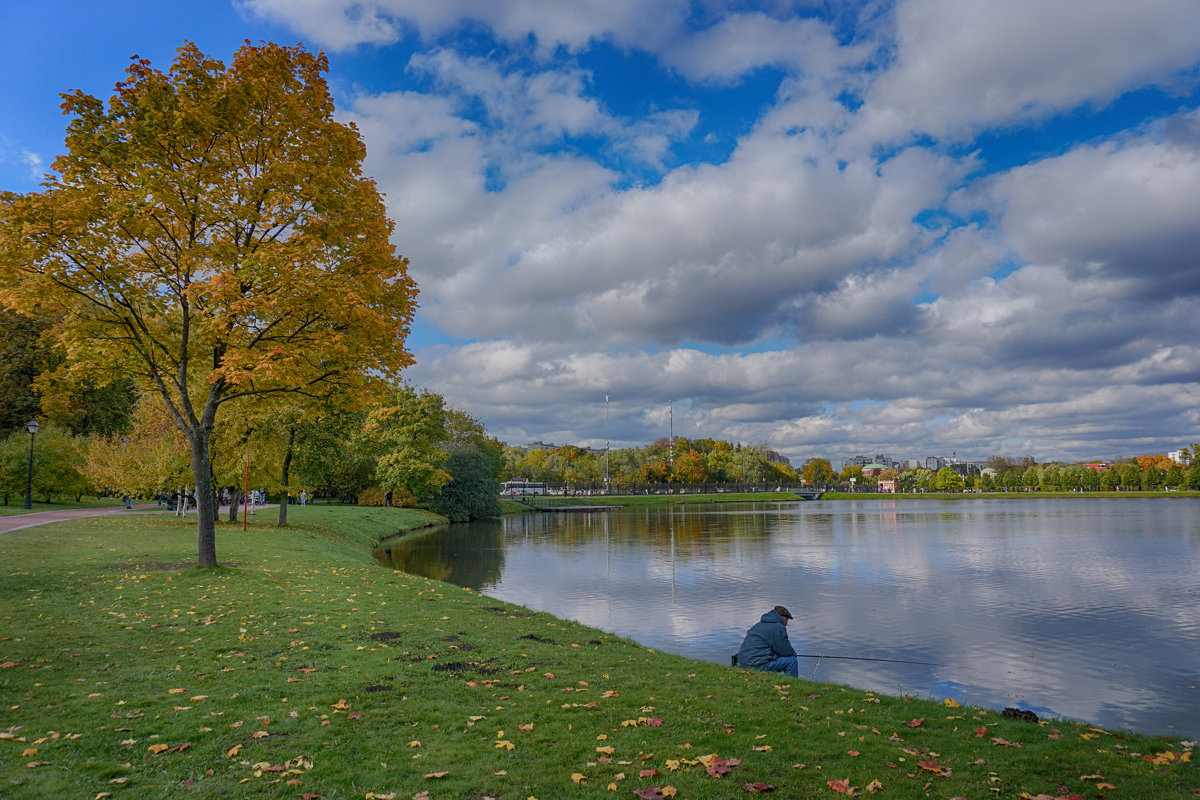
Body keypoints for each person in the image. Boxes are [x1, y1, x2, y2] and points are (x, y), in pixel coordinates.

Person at [736, 605, 799, 678]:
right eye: (787, 620)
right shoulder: (778, 627)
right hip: (756, 664)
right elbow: (785, 651)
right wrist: (794, 654)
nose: (786, 624)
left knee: (778, 657)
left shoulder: (759, 624)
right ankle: (791, 684)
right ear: (784, 618)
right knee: (792, 661)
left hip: (744, 662)